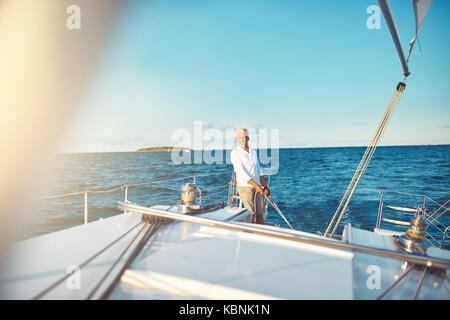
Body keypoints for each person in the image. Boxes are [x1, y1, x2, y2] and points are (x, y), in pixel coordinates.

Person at [230, 128, 270, 225]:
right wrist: (256, 185)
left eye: (244, 137)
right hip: (245, 187)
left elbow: (259, 170)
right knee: (251, 214)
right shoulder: (235, 153)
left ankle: (261, 234)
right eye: (239, 138)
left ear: (248, 138)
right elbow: (241, 171)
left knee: (260, 214)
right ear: (236, 139)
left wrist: (265, 186)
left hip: (258, 187)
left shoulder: (253, 151)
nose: (242, 140)